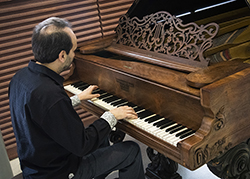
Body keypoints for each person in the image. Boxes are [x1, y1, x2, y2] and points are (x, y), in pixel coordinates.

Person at [8, 17, 145, 179]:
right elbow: (82, 145)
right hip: (59, 172)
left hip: (36, 165)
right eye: (74, 50)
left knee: (101, 138)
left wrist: (78, 98)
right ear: (62, 56)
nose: (75, 55)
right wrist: (111, 116)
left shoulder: (20, 77)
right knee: (131, 150)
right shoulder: (51, 94)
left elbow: (44, 113)